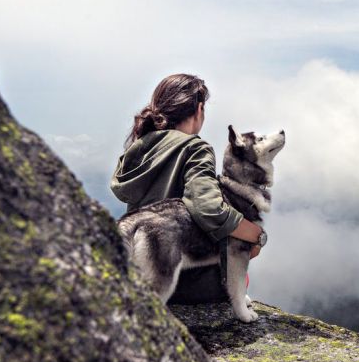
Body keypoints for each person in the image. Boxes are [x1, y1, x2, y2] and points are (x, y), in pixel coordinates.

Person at [109, 73, 264, 304]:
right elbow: (208, 207)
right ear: (199, 108)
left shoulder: (138, 148)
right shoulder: (195, 148)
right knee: (241, 274)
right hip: (182, 281)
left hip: (139, 274)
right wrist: (256, 235)